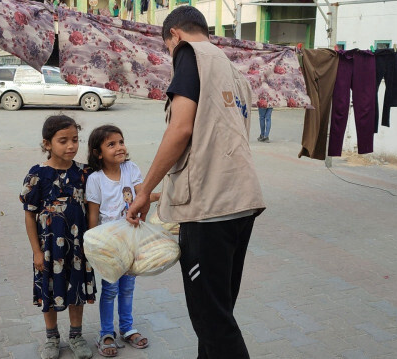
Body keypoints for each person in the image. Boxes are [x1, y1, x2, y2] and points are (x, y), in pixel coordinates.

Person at [125, 6, 266, 359]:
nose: (170, 56)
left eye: (167, 48)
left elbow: (181, 129)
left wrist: (143, 192)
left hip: (209, 208)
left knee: (213, 323)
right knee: (218, 314)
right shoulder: (233, 70)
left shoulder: (189, 54)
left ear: (174, 35)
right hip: (241, 204)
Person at [19, 115, 96, 359]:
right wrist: (36, 252)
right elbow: (29, 216)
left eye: (75, 139)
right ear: (47, 143)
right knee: (48, 291)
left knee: (76, 291)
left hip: (77, 247)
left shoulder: (84, 174)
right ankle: (52, 337)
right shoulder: (37, 175)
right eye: (63, 140)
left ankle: (76, 335)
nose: (71, 146)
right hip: (49, 248)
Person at [85, 125, 159, 357]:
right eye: (111, 144)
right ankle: (106, 333)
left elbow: (142, 194)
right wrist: (93, 246)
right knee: (109, 290)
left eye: (121, 141)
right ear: (98, 153)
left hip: (131, 240)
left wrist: (166, 194)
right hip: (109, 245)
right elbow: (93, 215)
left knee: (127, 288)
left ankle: (127, 328)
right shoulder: (95, 179)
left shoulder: (131, 168)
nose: (120, 147)